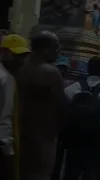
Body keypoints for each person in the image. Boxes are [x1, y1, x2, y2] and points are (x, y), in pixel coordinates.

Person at [15, 31, 66, 180]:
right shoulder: (50, 72)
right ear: (46, 48)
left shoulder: (20, 67)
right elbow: (61, 106)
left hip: (20, 130)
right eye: (56, 48)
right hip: (44, 134)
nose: (58, 52)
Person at [64, 56, 100, 180]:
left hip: (74, 138)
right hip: (97, 140)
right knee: (93, 172)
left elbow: (64, 111)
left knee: (71, 171)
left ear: (87, 70)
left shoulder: (73, 87)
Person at [0, 34, 31, 180]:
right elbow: (4, 120)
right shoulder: (6, 79)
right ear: (5, 53)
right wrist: (9, 152)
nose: (21, 60)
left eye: (23, 56)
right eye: (17, 55)